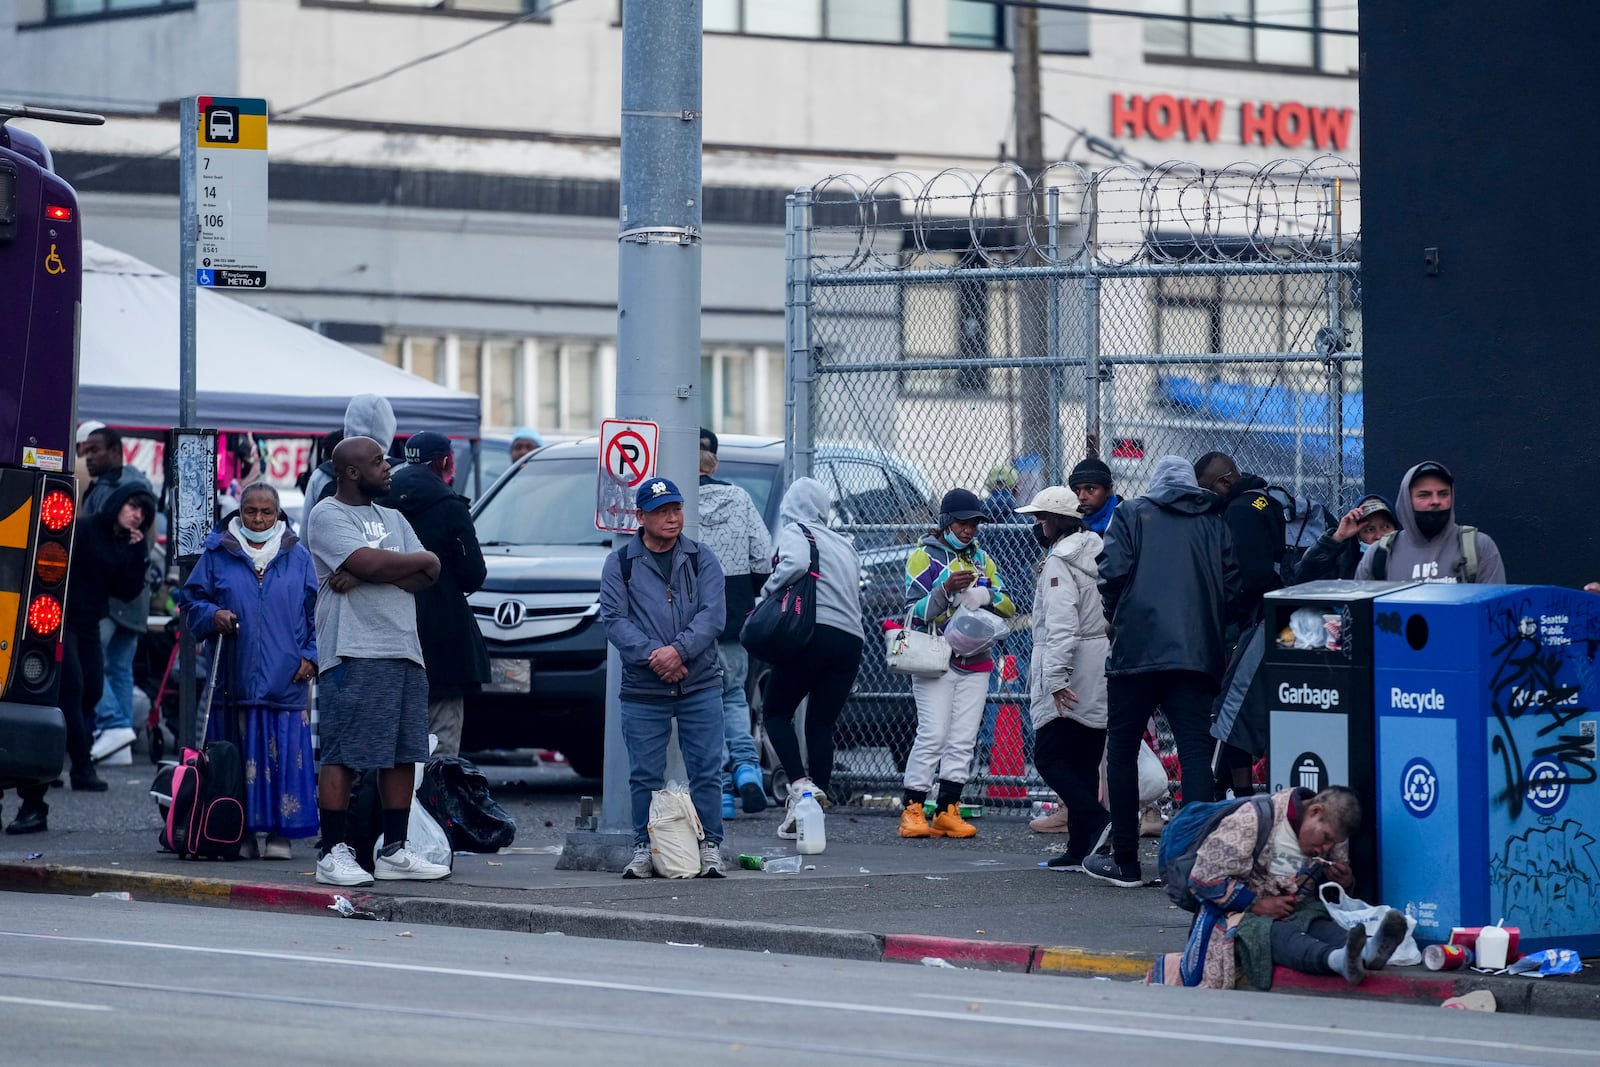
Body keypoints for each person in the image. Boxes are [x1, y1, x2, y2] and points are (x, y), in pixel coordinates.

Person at [1088, 456, 1241, 888]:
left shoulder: (1133, 513)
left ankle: (1126, 861)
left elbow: (1112, 572)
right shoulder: (1213, 520)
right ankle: (1189, 863)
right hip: (1196, 654)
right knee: (1194, 751)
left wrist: (1115, 617)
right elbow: (1232, 586)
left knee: (1120, 750)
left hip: (1136, 650)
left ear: (1155, 483)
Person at [304, 437, 449, 887]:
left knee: (403, 753)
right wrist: (384, 564)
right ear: (350, 472)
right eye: (378, 461)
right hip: (354, 648)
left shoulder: (395, 516)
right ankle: (332, 854)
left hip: (404, 646)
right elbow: (368, 560)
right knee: (346, 755)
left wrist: (388, 566)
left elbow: (430, 572)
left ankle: (395, 851)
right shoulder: (328, 514)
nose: (388, 468)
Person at [1148, 786, 1408, 990]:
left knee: (1314, 918)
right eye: (1326, 838)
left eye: (1334, 843)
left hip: (1289, 908)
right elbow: (1203, 878)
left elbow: (1329, 886)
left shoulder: (1330, 835)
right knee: (1266, 931)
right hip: (1229, 917)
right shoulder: (1251, 820)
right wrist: (1255, 904)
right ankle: (1337, 961)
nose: (1327, 849)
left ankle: (1367, 951)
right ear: (1315, 811)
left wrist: (1342, 881)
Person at [3, 483, 153, 833]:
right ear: (118, 503)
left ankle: (55, 759)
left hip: (89, 622)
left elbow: (125, 590)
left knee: (92, 691)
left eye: (143, 511)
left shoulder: (127, 542)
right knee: (71, 687)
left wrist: (138, 554)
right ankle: (80, 765)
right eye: (133, 506)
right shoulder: (86, 528)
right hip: (61, 617)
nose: (138, 514)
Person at [598, 477, 729, 879]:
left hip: (699, 680)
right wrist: (657, 656)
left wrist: (679, 651)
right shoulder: (620, 562)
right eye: (661, 512)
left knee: (707, 770)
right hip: (644, 686)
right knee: (644, 775)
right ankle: (644, 847)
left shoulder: (701, 557)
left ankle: (711, 847)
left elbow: (713, 615)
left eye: (676, 509)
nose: (672, 518)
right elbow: (614, 620)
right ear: (640, 517)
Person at [182, 484, 319, 860]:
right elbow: (192, 601)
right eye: (251, 511)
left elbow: (318, 615)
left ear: (278, 514)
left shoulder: (299, 557)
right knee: (236, 762)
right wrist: (213, 616)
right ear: (239, 512)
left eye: (266, 512)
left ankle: (281, 835)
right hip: (233, 679)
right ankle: (238, 832)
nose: (258, 519)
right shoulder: (217, 553)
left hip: (286, 679)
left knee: (284, 760)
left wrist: (311, 657)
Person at [898, 488, 1016, 840]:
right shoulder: (923, 556)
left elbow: (1010, 605)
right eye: (963, 523)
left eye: (974, 523)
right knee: (933, 734)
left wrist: (987, 595)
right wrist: (945, 589)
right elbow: (912, 613)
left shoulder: (983, 560)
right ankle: (913, 809)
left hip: (976, 660)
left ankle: (948, 809)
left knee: (963, 739)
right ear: (946, 522)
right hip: (935, 658)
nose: (969, 530)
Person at [757, 478, 865, 838]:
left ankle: (801, 786)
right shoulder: (846, 543)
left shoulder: (796, 530)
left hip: (812, 633)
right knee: (821, 725)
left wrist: (767, 593)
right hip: (850, 641)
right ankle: (809, 813)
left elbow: (796, 563)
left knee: (775, 712)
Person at [1016, 487, 1111, 870]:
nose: (1038, 525)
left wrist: (1054, 677)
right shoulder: (1098, 550)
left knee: (1050, 755)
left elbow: (1060, 626)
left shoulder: (1059, 562)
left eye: (1041, 517)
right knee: (1084, 756)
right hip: (1098, 660)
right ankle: (1081, 849)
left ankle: (1097, 821)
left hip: (1069, 667)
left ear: (1056, 520)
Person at [382, 431, 489, 758]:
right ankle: (436, 806)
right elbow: (474, 573)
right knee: (441, 739)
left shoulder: (380, 501)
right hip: (445, 637)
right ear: (445, 461)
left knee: (393, 744)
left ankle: (395, 808)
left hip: (388, 629)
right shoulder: (449, 505)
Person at [1195, 452, 1287, 799]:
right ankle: (1234, 788)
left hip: (1260, 620)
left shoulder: (1240, 511)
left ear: (1224, 482)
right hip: (1280, 619)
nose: (1205, 499)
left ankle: (1240, 794)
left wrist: (1229, 611)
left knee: (1231, 704)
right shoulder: (1265, 500)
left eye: (1207, 490)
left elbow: (1249, 576)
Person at [695, 438, 772, 819]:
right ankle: (746, 768)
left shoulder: (676, 506)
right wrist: (748, 593)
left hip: (691, 620)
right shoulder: (740, 498)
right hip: (733, 613)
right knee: (734, 697)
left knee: (704, 703)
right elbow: (762, 552)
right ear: (714, 467)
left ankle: (721, 791)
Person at [79, 426, 154, 767]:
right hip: (134, 596)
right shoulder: (138, 485)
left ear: (115, 450)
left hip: (113, 596)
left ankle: (113, 724)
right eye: (84, 450)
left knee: (89, 663)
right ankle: (119, 743)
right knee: (120, 668)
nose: (87, 457)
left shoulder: (121, 490)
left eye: (94, 450)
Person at [1354, 461, 1506, 584]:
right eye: (1424, 495)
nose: (1435, 501)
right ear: (1407, 500)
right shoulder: (1378, 555)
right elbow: (1361, 618)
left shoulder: (1480, 547)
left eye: (1443, 494)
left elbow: (1496, 615)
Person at [302, 394, 397, 514]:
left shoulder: (323, 475)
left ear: (348, 423)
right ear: (389, 427)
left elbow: (307, 527)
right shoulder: (400, 471)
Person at [1292, 496, 1400, 582]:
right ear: (1357, 535)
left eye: (1386, 527)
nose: (1379, 536)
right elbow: (1301, 578)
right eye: (1370, 529)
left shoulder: (1407, 557)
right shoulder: (1344, 560)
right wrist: (1337, 537)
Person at [1068, 457, 1122, 536]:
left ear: (1109, 490)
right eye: (1076, 490)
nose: (1081, 497)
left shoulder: (1126, 521)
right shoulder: (1068, 521)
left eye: (1090, 489)